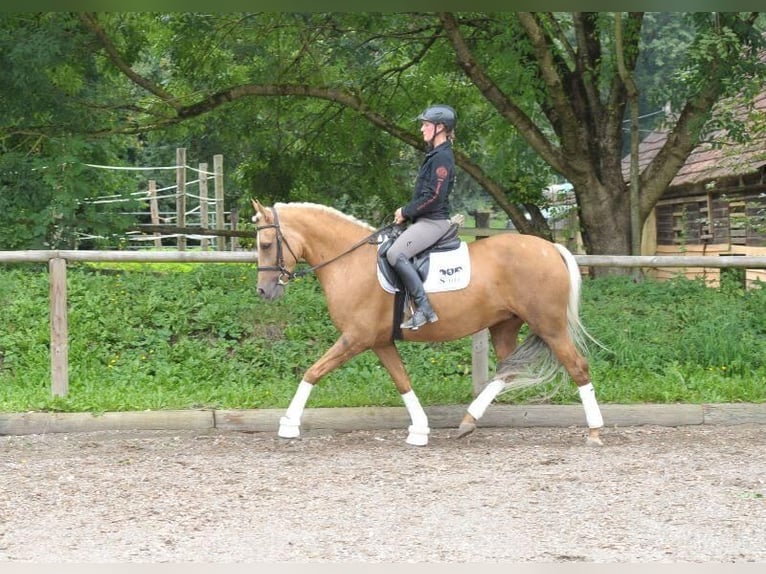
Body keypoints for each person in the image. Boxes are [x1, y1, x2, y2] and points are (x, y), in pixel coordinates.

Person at [387, 104, 457, 330]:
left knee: (396, 253)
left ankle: (424, 309)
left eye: (426, 125)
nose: (421, 129)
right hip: (424, 220)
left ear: (441, 128)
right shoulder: (435, 155)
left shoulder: (442, 157)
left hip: (434, 222)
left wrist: (406, 211)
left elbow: (435, 197)